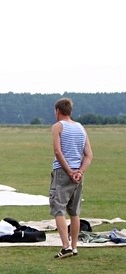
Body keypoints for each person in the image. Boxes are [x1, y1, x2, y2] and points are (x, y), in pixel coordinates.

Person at [51, 97, 92, 259]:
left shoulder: (58, 127)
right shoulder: (81, 128)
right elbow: (89, 155)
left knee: (58, 208)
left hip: (63, 172)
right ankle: (74, 247)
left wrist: (68, 171)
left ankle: (65, 246)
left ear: (58, 111)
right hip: (78, 175)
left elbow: (57, 152)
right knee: (74, 212)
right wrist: (80, 172)